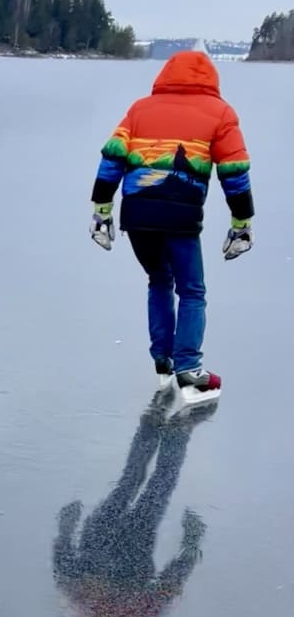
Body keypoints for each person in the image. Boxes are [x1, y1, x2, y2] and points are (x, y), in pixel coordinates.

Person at [89, 50, 254, 405]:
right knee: (192, 290)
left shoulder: (139, 109)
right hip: (181, 219)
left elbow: (112, 158)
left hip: (137, 215)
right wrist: (241, 223)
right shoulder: (221, 113)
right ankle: (189, 370)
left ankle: (163, 361)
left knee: (159, 280)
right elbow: (234, 171)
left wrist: (102, 210)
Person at [53, 396, 213, 617]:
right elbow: (64, 567)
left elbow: (169, 585)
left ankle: (168, 429)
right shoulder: (86, 607)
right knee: (133, 483)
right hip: (111, 539)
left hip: (121, 543)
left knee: (152, 487)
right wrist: (66, 528)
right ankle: (156, 424)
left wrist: (191, 545)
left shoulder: (128, 615)